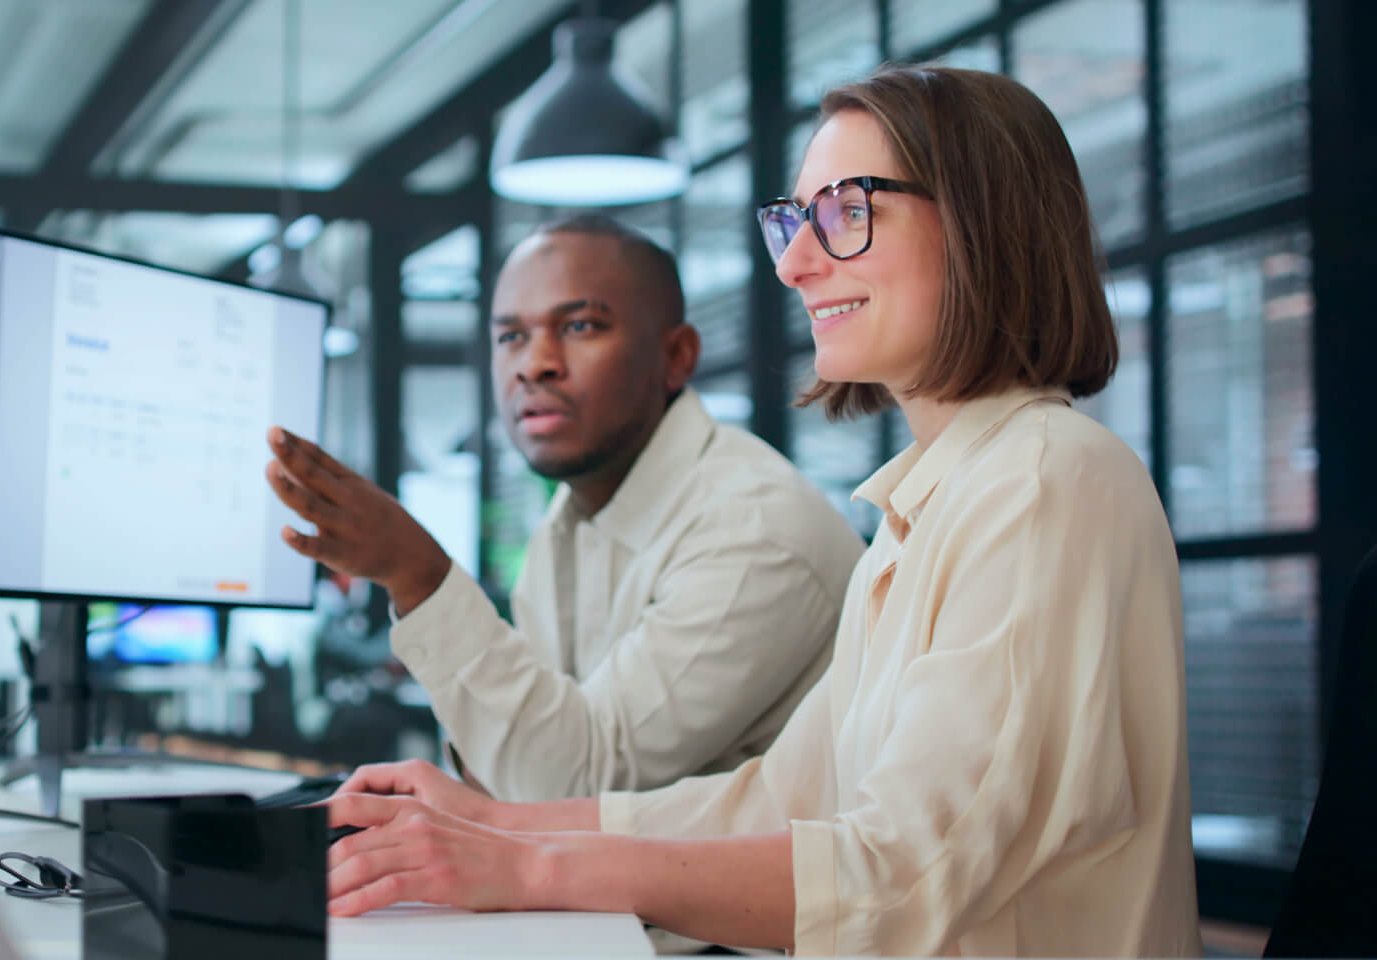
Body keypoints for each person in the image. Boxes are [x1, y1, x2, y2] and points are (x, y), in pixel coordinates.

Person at [311, 64, 1205, 958]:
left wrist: (527, 864)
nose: (793, 263)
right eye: (795, 220)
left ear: (982, 223)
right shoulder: (925, 507)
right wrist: (501, 825)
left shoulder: (1042, 481)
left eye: (847, 211)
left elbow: (902, 878)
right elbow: (781, 799)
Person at [266, 214, 865, 805]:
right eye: (511, 337)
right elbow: (531, 756)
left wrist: (416, 574)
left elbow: (577, 788)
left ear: (677, 356)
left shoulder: (753, 532)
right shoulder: (572, 519)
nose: (535, 364)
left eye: (580, 326)